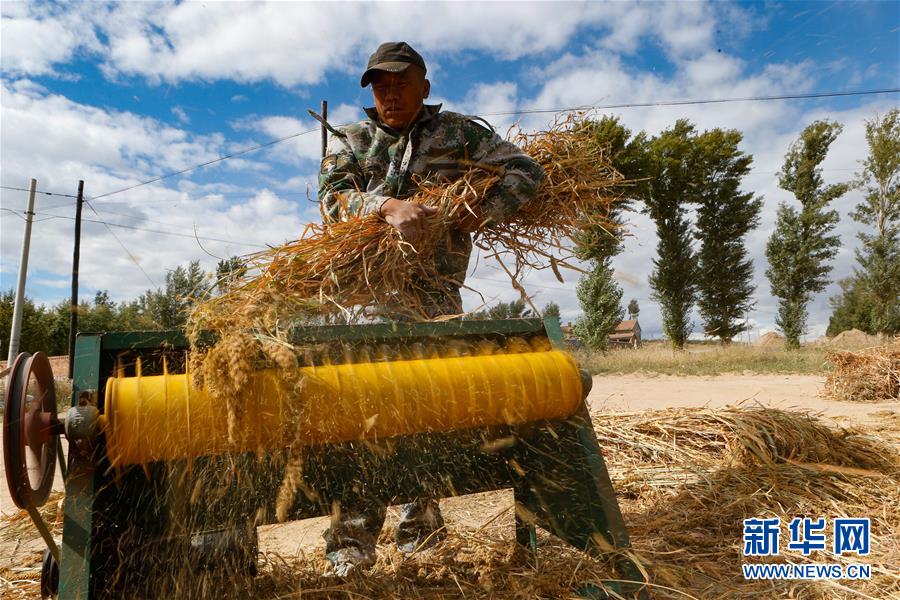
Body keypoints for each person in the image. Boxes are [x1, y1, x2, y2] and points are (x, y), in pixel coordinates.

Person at [317, 41, 545, 576]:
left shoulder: (462, 135)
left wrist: (484, 207)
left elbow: (527, 173)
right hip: (361, 306)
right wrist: (385, 206)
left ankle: (420, 528)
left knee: (425, 413)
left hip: (434, 302)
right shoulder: (351, 138)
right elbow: (331, 202)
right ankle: (351, 543)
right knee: (364, 418)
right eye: (380, 85)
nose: (390, 93)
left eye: (401, 82)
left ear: (425, 84)